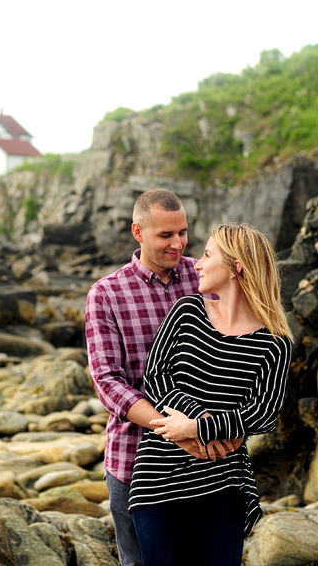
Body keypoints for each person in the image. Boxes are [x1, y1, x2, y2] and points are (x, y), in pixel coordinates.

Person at [86, 189, 239, 566]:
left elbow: (237, 353)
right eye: (165, 235)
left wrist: (222, 428)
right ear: (138, 232)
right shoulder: (106, 294)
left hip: (210, 457)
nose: (179, 243)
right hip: (135, 460)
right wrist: (177, 429)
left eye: (183, 233)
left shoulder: (204, 275)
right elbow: (108, 383)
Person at [128, 223, 294, 566]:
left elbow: (263, 413)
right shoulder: (186, 313)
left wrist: (198, 430)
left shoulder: (275, 343)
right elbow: (155, 378)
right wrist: (198, 424)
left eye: (206, 255)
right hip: (158, 476)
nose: (196, 264)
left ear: (237, 267)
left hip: (222, 481)